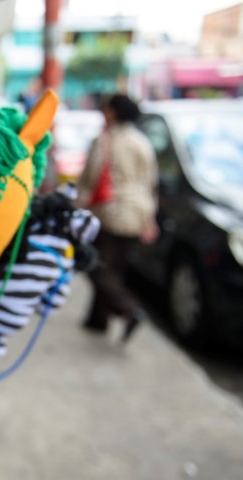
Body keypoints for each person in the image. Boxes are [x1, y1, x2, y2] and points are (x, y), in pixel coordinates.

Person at [76, 93, 159, 342]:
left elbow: (90, 178)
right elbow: (151, 182)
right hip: (138, 212)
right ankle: (97, 320)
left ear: (113, 112)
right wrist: (149, 218)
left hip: (112, 213)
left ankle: (128, 309)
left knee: (95, 266)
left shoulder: (106, 140)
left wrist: (76, 203)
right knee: (114, 268)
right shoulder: (141, 141)